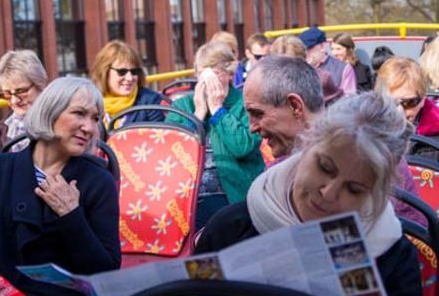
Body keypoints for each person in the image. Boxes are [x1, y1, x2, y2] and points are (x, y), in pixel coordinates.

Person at [196, 92, 422, 296]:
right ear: (305, 145)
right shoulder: (231, 229)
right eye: (324, 167)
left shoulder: (391, 256)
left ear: (373, 194)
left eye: (354, 189)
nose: (329, 192)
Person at [0, 77, 120, 296]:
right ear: (50, 112)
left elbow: (105, 272)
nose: (89, 127)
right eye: (79, 113)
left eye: (95, 118)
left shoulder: (98, 182)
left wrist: (71, 216)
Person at [167, 42, 265, 227]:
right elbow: (173, 157)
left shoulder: (246, 104)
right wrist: (198, 114)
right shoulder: (182, 107)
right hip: (187, 199)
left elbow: (241, 147)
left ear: (229, 73)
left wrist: (218, 110)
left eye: (213, 74)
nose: (206, 80)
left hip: (233, 196)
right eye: (201, 74)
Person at [242, 55, 324, 161]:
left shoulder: (347, 164)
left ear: (295, 106)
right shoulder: (279, 172)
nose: (252, 128)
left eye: (258, 114)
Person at [375, 56, 439, 155]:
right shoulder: (364, 132)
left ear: (423, 100)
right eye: (391, 103)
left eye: (409, 103)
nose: (400, 111)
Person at [90, 41, 167, 126]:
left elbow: (158, 136)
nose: (129, 78)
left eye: (134, 71)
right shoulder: (91, 102)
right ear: (104, 72)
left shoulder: (150, 101)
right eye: (122, 71)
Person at [0, 50, 48, 152]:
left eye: (21, 91)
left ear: (40, 84)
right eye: (7, 93)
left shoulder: (59, 123)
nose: (14, 100)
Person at [269, 35, 344, 106]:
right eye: (281, 65)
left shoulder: (321, 79)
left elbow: (339, 106)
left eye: (292, 64)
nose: (286, 71)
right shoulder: (266, 83)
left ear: (303, 60)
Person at [298, 26, 357, 95]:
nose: (306, 53)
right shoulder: (299, 68)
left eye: (310, 48)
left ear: (322, 46)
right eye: (303, 49)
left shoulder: (344, 69)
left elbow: (349, 99)